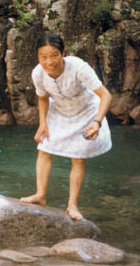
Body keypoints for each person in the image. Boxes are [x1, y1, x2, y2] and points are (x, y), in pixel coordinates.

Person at [20, 33, 112, 221]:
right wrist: (42, 123)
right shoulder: (38, 73)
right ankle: (40, 195)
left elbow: (106, 95)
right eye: (43, 57)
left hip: (87, 112)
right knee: (44, 149)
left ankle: (72, 205)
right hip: (60, 111)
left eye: (54, 55)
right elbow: (43, 98)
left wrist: (97, 122)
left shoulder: (78, 67)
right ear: (37, 57)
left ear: (63, 53)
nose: (49, 62)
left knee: (77, 158)